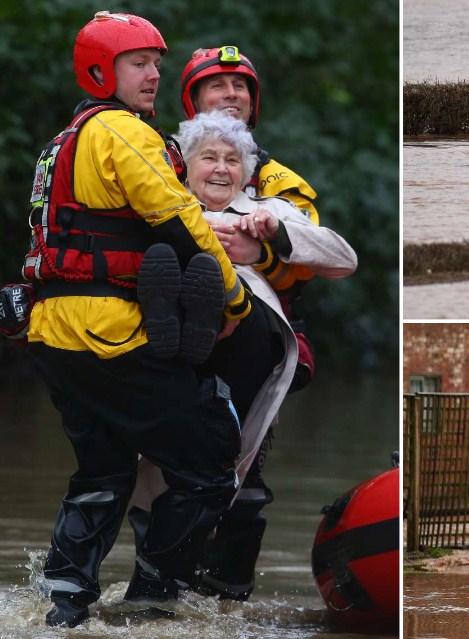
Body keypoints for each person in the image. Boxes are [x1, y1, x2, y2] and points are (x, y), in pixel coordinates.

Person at [21, 12, 251, 628]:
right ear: (101, 70)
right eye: (137, 63)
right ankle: (153, 590)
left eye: (155, 62)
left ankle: (65, 602)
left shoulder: (62, 139)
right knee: (210, 461)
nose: (153, 74)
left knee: (104, 467)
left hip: (49, 330)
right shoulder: (123, 131)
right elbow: (178, 218)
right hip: (107, 332)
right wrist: (236, 301)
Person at [129, 110, 357, 602]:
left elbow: (344, 259)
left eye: (232, 160)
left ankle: (211, 313)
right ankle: (190, 320)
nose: (220, 168)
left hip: (248, 344)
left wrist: (272, 236)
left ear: (247, 172)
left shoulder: (265, 209)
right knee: (179, 471)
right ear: (184, 167)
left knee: (217, 465)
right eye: (208, 157)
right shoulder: (162, 205)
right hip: (164, 355)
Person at [179, 45, 323, 389]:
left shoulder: (282, 181)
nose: (231, 93)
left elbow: (308, 265)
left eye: (239, 86)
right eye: (218, 85)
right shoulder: (160, 165)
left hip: (257, 319)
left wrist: (260, 253)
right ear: (194, 101)